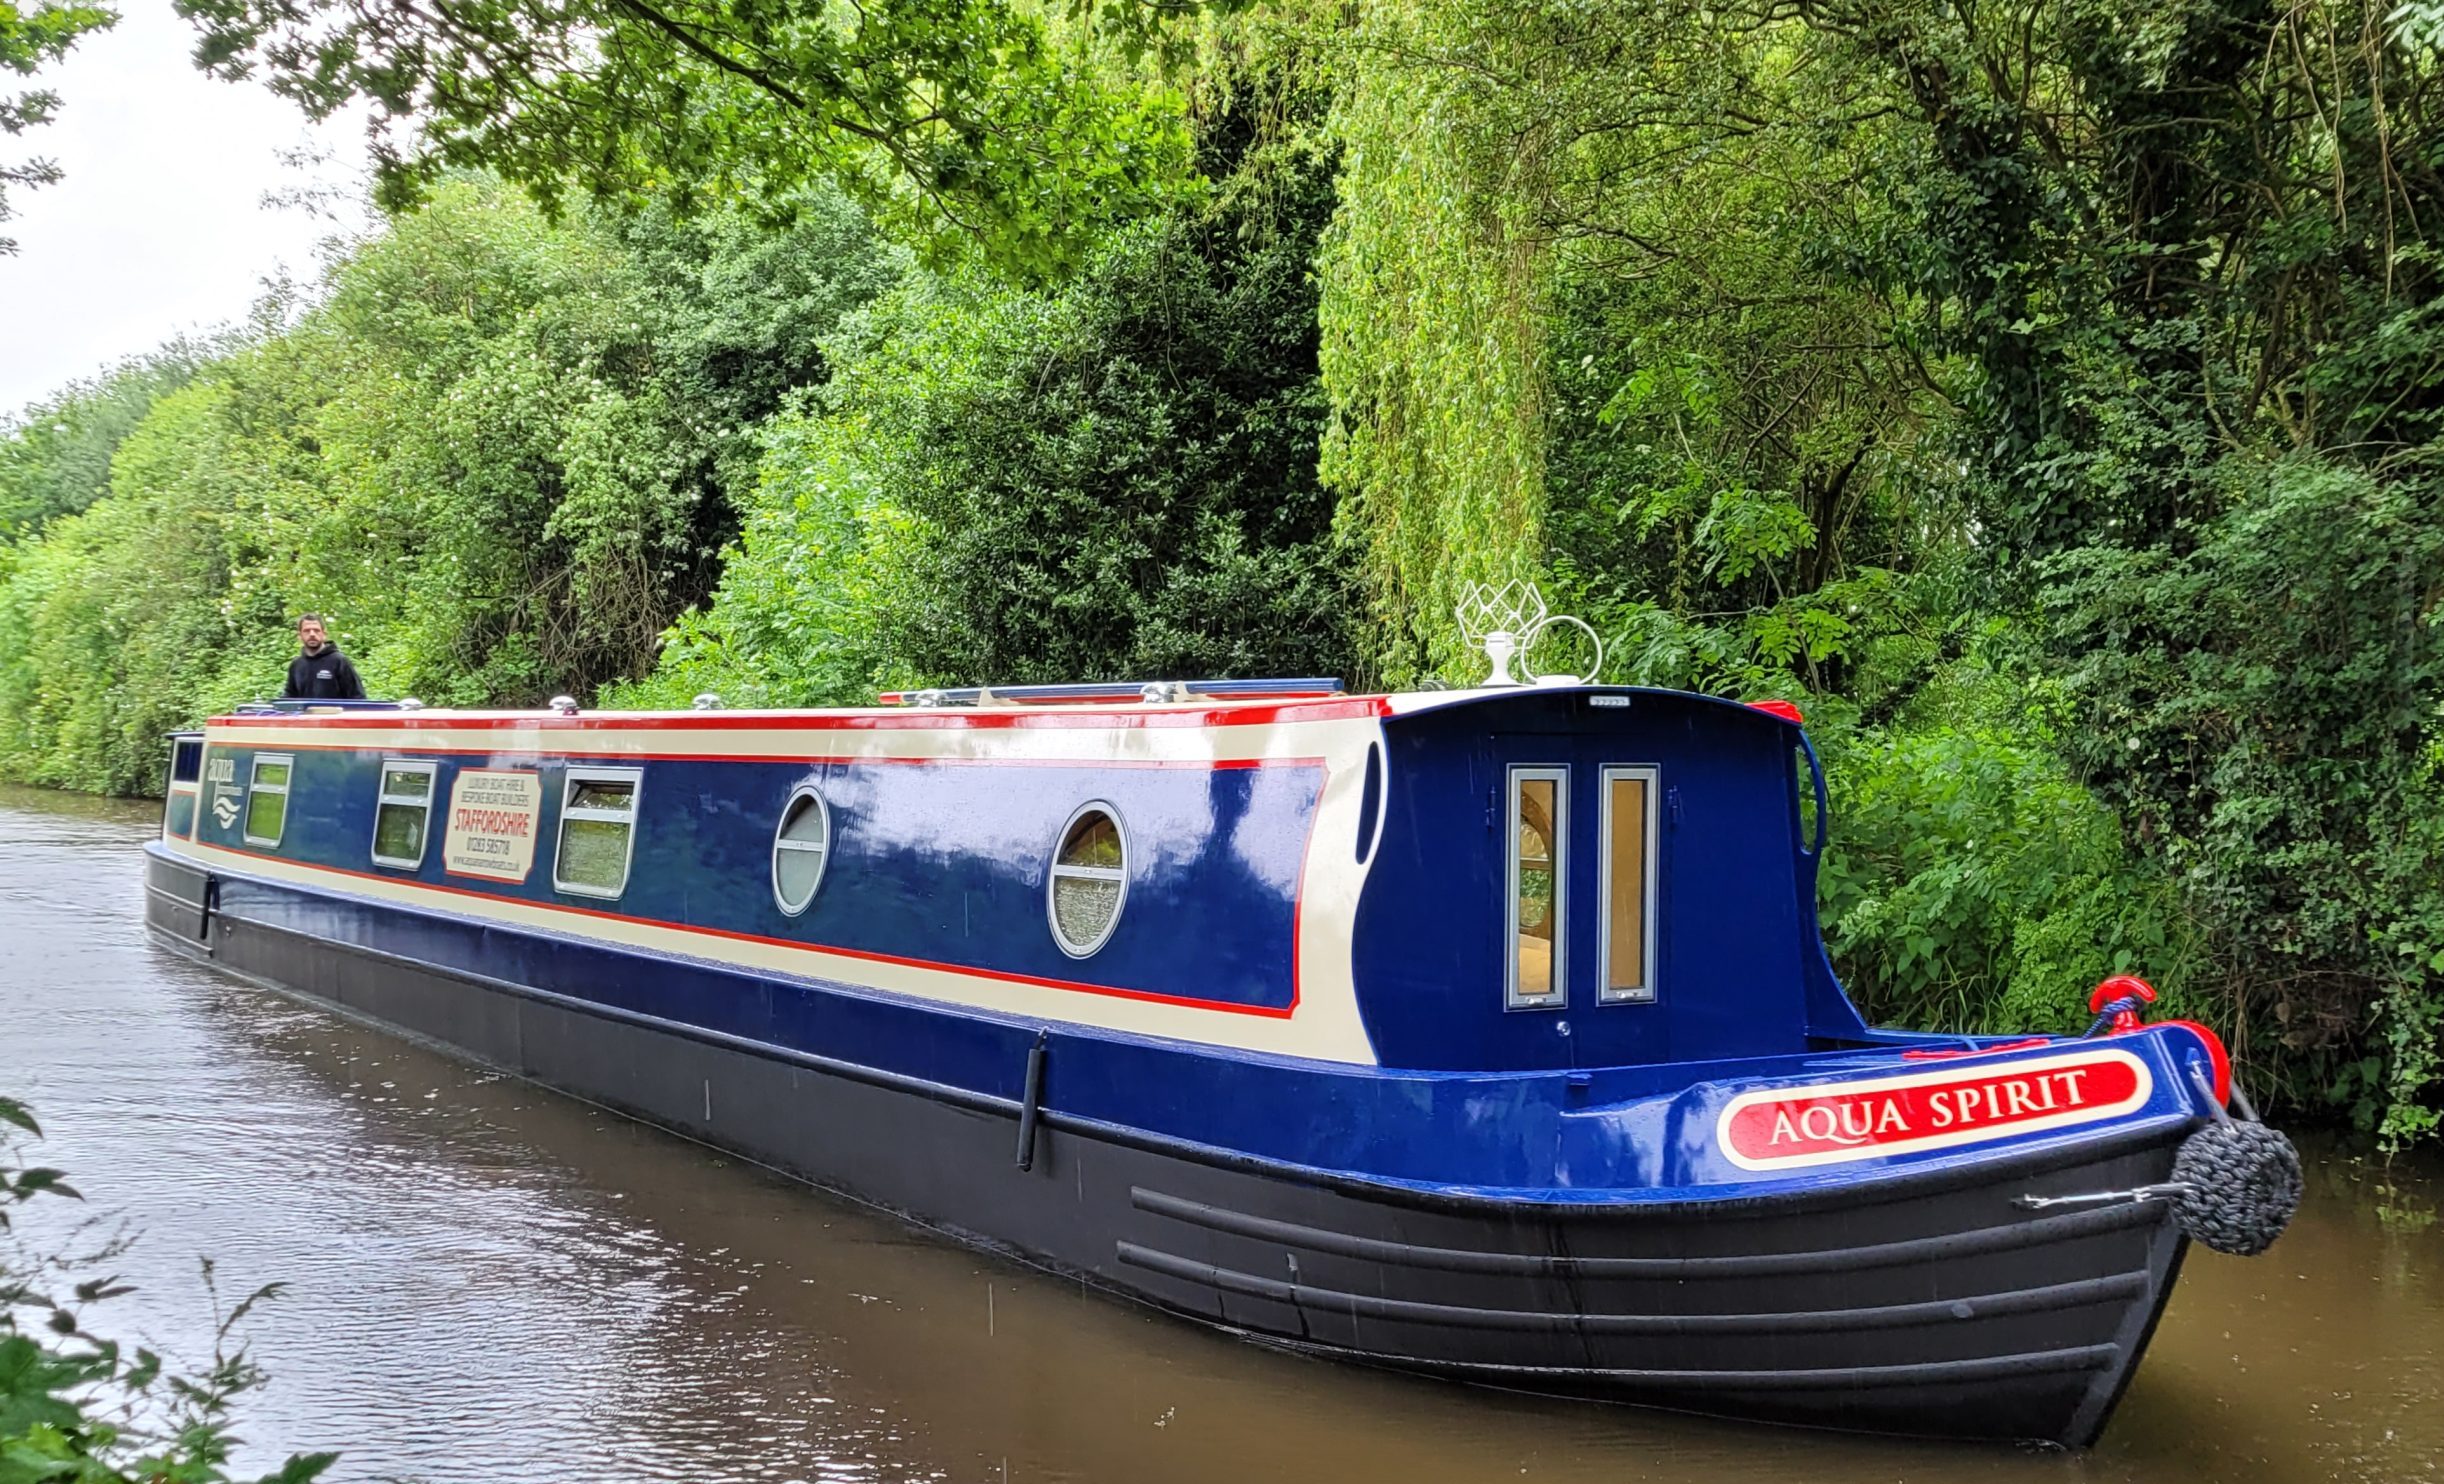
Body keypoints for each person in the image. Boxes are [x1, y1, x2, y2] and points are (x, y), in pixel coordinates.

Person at [283, 614, 367, 700]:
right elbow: (289, 698)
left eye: (316, 630)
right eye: (307, 631)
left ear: (324, 634)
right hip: (305, 709)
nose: (312, 634)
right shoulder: (296, 665)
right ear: (299, 635)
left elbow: (358, 697)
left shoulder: (339, 661)